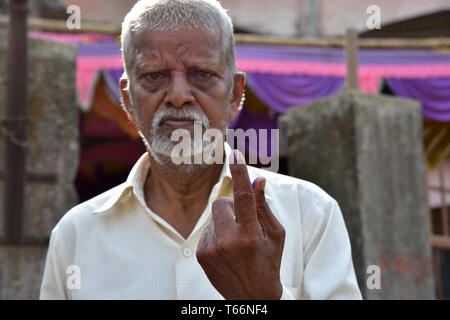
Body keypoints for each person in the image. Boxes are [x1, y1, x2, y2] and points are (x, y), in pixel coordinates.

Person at [40, 0, 362, 300]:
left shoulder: (309, 213)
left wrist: (264, 297)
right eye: (154, 76)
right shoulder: (75, 236)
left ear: (236, 93)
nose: (178, 95)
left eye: (203, 75)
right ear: (127, 99)